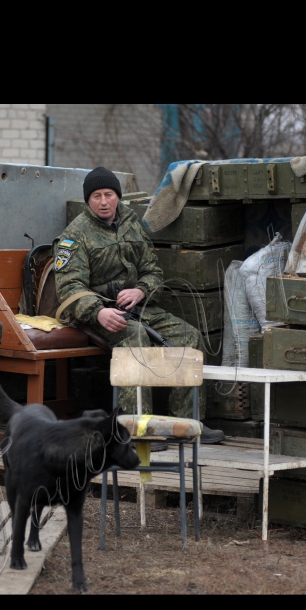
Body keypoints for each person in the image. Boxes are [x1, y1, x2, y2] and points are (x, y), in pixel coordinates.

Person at [53, 167, 224, 444]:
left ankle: (187, 425)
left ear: (118, 197)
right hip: (99, 313)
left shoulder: (132, 223)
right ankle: (136, 430)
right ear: (88, 201)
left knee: (188, 337)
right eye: (96, 196)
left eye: (109, 194)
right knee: (135, 336)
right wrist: (98, 312)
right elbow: (69, 288)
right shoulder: (75, 235)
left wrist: (141, 290)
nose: (103, 201)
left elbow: (153, 271)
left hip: (138, 307)